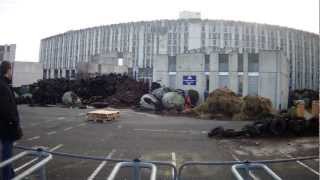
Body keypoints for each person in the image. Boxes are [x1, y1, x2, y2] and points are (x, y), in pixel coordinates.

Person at [0, 61, 23, 180]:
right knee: (7, 152)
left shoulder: (5, 85)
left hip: (6, 124)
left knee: (7, 151)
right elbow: (6, 108)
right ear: (7, 70)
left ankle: (11, 173)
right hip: (7, 126)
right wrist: (14, 123)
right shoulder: (3, 86)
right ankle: (7, 176)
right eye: (11, 69)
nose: (12, 72)